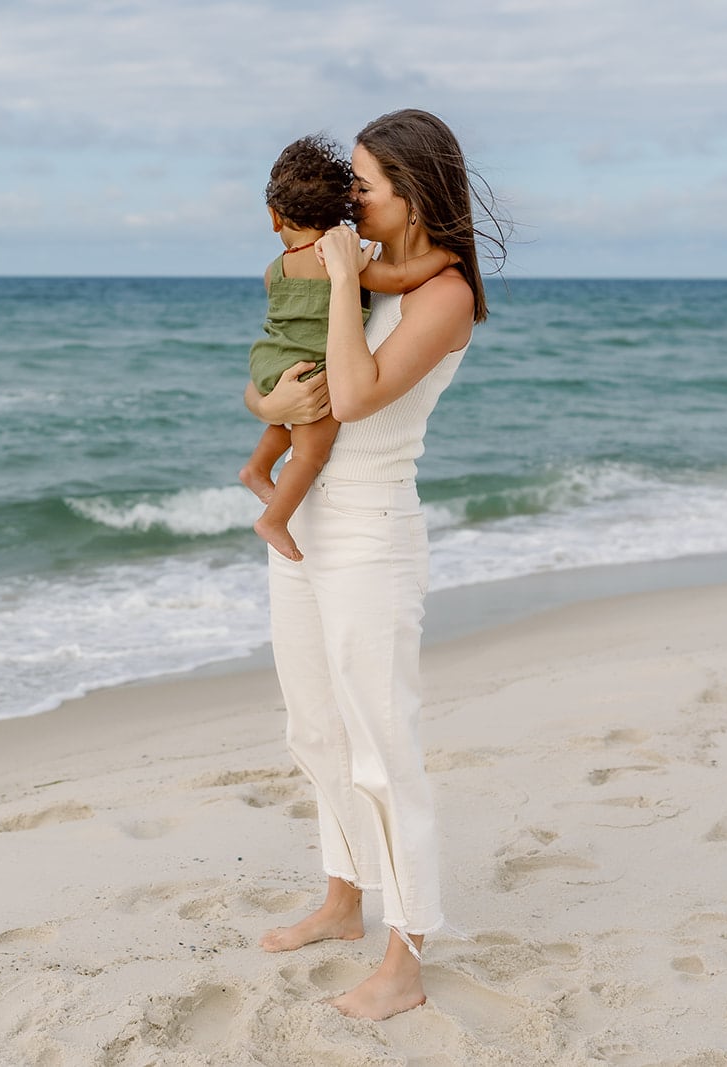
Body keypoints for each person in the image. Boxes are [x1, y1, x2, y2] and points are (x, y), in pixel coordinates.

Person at [243, 109, 505, 1021]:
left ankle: (406, 955)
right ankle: (342, 897)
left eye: (364, 185)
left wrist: (347, 275)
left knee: (382, 747)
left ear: (414, 193)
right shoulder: (357, 266)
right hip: (309, 519)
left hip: (370, 530)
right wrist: (267, 402)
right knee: (314, 728)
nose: (349, 200)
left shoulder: (445, 296)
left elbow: (351, 395)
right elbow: (281, 368)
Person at [242, 134, 457, 562]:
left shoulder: (275, 269)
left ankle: (257, 468)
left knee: (291, 422)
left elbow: (288, 319)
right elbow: (398, 279)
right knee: (309, 451)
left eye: (364, 188)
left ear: (274, 218)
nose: (356, 200)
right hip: (308, 371)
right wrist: (445, 257)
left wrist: (267, 403)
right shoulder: (344, 263)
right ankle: (274, 519)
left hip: (271, 360)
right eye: (352, 191)